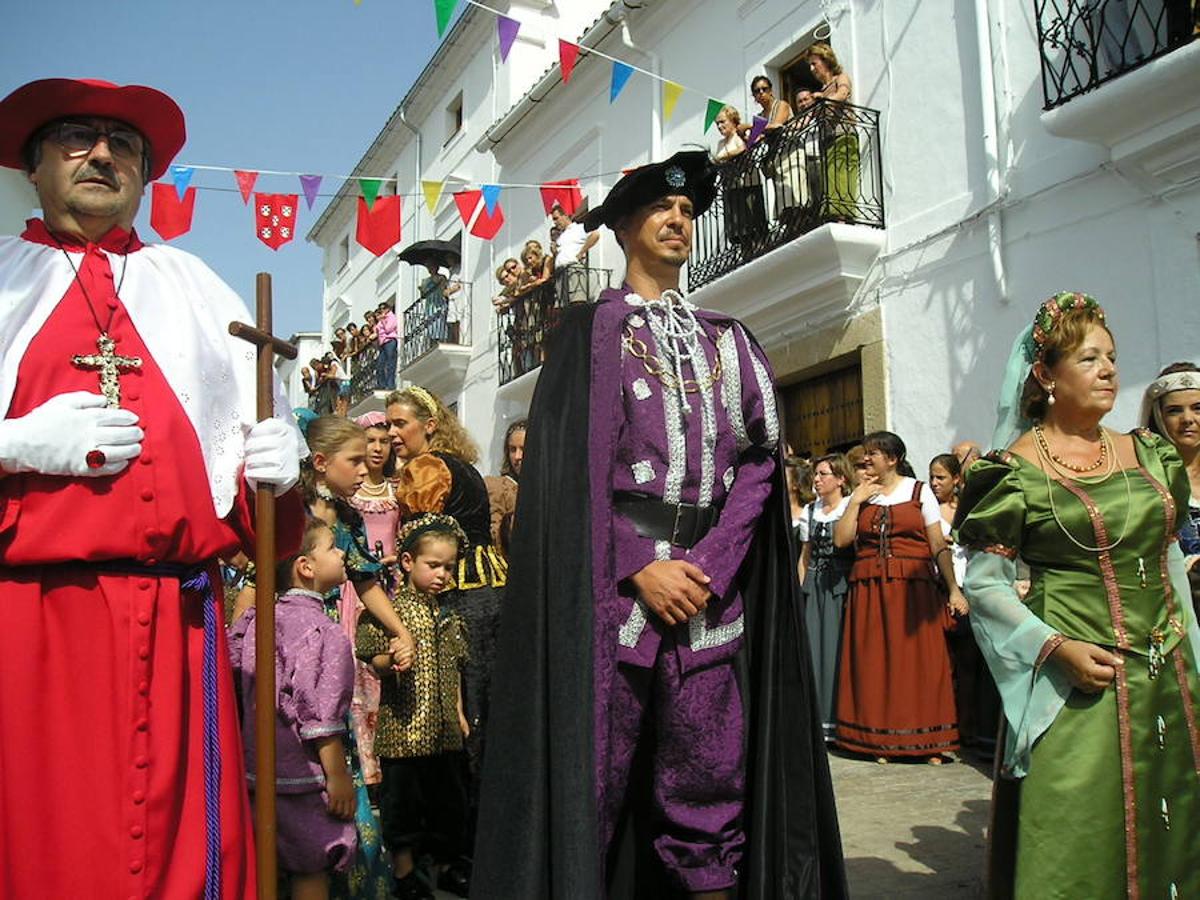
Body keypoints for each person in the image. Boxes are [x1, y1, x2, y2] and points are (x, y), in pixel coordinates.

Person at [474, 150, 846, 899]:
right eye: (661, 210)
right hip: (616, 600)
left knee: (710, 782)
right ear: (624, 226)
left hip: (710, 598)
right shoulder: (590, 335)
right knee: (594, 781)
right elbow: (566, 481)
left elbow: (761, 461)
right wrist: (641, 561)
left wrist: (709, 563)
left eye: (686, 214)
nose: (678, 221)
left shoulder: (728, 339)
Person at [0, 77, 307, 898]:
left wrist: (281, 469)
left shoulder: (198, 289)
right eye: (75, 135)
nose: (102, 153)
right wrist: (14, 444)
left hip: (182, 629)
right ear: (33, 164)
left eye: (123, 143)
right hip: (31, 630)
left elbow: (253, 491)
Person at [954, 292, 1200, 897]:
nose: (1110, 370)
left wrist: (1194, 651)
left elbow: (1167, 561)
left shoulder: (1147, 452)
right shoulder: (1013, 471)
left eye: (1112, 357)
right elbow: (984, 586)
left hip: (1169, 675)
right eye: (1089, 358)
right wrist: (1055, 647)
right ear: (1046, 375)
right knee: (1079, 838)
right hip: (1079, 685)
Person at [386, 387, 506, 809]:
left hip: (457, 595)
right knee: (491, 701)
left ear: (430, 425)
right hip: (493, 590)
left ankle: (464, 817)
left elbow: (426, 541)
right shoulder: (465, 467)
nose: (393, 433)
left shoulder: (427, 469)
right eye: (389, 424)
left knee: (463, 702)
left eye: (401, 423)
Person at [228, 518, 357, 900]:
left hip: (255, 771)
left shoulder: (256, 621)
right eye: (332, 547)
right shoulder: (321, 631)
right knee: (310, 866)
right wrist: (336, 773)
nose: (341, 553)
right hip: (304, 777)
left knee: (264, 867)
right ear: (306, 566)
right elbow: (321, 712)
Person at [832, 431, 967, 763]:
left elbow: (937, 545)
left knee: (918, 664)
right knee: (874, 664)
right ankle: (878, 742)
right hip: (870, 589)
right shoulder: (864, 495)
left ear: (892, 458)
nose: (866, 459)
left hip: (913, 590)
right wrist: (856, 499)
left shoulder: (919, 491)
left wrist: (953, 588)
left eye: (873, 454)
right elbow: (841, 540)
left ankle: (929, 742)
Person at [357, 513, 472, 900]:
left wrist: (456, 711)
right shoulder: (391, 612)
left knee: (447, 805)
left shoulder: (450, 614)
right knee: (403, 807)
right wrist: (391, 661)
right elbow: (373, 659)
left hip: (444, 735)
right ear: (407, 562)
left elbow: (455, 665)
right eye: (434, 565)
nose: (442, 574)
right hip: (403, 733)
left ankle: (444, 869)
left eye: (449, 567)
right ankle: (406, 874)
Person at [340, 411, 402, 787]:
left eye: (383, 441)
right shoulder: (349, 494)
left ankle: (386, 762)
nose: (377, 448)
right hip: (354, 590)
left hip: (389, 588)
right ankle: (361, 765)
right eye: (371, 441)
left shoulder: (398, 490)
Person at [931, 452, 1001, 755]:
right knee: (942, 664)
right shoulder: (928, 510)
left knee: (968, 663)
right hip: (935, 589)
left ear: (957, 480)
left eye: (941, 478)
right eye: (932, 477)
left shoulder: (971, 511)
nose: (934, 483)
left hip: (967, 589)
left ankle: (969, 728)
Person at [799, 453, 854, 741]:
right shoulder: (811, 510)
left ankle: (840, 719)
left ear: (841, 479)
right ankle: (819, 720)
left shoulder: (850, 507)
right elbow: (805, 556)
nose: (816, 480)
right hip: (815, 584)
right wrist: (799, 591)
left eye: (823, 474)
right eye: (816, 474)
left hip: (841, 585)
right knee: (814, 649)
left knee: (838, 650)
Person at [1141, 361, 1200, 613]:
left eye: (1198, 408)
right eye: (1175, 411)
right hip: (1178, 615)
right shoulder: (1146, 483)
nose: (1188, 419)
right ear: (1158, 416)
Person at [796, 44, 858, 222]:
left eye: (814, 63)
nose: (812, 69)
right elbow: (807, 120)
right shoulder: (821, 91)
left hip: (843, 135)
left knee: (842, 173)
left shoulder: (840, 78)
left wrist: (824, 99)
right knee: (830, 178)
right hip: (827, 140)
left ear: (826, 60)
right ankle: (834, 214)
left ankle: (844, 215)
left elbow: (843, 94)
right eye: (810, 65)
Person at [483, 418, 525, 555]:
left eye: (523, 449)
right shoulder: (498, 487)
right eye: (513, 450)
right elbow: (494, 538)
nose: (517, 456)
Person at [550, 203, 599, 303]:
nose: (555, 222)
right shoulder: (561, 236)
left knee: (577, 302)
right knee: (563, 307)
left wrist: (581, 253)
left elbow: (595, 235)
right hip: (561, 273)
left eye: (556, 218)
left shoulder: (579, 228)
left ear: (565, 215)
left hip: (573, 270)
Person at [375, 301, 398, 390]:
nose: (382, 310)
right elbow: (377, 329)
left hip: (390, 341)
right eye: (381, 309)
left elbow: (388, 329)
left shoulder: (391, 317)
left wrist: (383, 320)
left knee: (390, 363)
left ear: (388, 309)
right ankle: (382, 384)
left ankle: (390, 384)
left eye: (384, 308)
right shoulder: (382, 319)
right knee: (380, 364)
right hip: (383, 343)